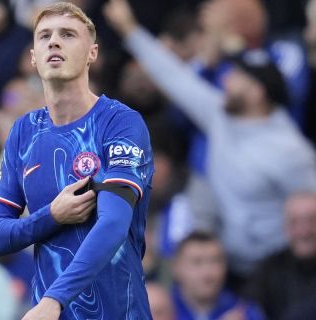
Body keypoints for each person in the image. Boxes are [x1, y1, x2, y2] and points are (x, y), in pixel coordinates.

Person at [104, 0, 316, 276]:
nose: (226, 80)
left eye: (237, 76)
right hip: (229, 263)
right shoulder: (222, 115)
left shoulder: (290, 150)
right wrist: (130, 30)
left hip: (278, 269)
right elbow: (175, 79)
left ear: (257, 92)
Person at [0, 2, 154, 319]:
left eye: (68, 34)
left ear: (93, 53)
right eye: (44, 35)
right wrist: (52, 216)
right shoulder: (24, 131)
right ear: (33, 58)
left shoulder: (120, 123)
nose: (54, 42)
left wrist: (54, 299)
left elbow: (114, 223)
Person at [245, 192, 316, 319]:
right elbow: (247, 309)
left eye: (311, 220)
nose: (303, 231)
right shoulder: (268, 269)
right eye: (294, 222)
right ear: (285, 227)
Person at [172, 232, 265, 320]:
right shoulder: (162, 309)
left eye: (215, 261)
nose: (207, 272)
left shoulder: (245, 313)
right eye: (197, 262)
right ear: (176, 267)